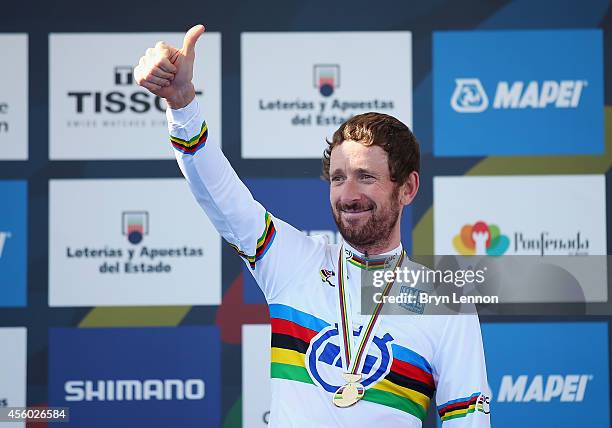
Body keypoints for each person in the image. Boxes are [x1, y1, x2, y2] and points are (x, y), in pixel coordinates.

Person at [134, 24, 491, 427]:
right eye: (338, 178)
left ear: (407, 188)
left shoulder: (446, 303)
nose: (348, 193)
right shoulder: (292, 262)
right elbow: (220, 195)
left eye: (366, 177)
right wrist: (182, 106)